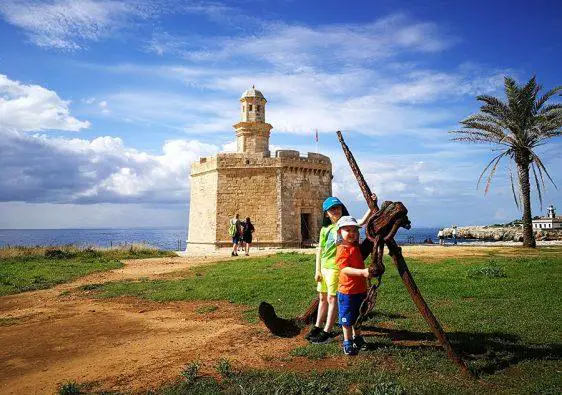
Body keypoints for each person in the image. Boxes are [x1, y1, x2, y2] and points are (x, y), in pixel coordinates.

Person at [307, 196, 375, 344]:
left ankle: (328, 330)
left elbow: (361, 222)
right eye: (332, 209)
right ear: (326, 213)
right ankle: (318, 326)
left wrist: (371, 207)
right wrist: (317, 270)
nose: (336, 211)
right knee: (322, 298)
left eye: (338, 208)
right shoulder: (325, 229)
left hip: (335, 267)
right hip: (324, 268)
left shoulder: (345, 225)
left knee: (332, 299)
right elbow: (320, 250)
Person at [335, 216, 373, 355]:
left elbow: (363, 222)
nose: (351, 233)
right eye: (347, 230)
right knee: (347, 319)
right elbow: (344, 269)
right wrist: (363, 272)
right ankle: (347, 341)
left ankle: (358, 337)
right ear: (340, 232)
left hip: (360, 290)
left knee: (358, 317)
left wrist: (371, 210)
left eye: (354, 230)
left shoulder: (355, 246)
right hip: (347, 291)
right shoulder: (342, 249)